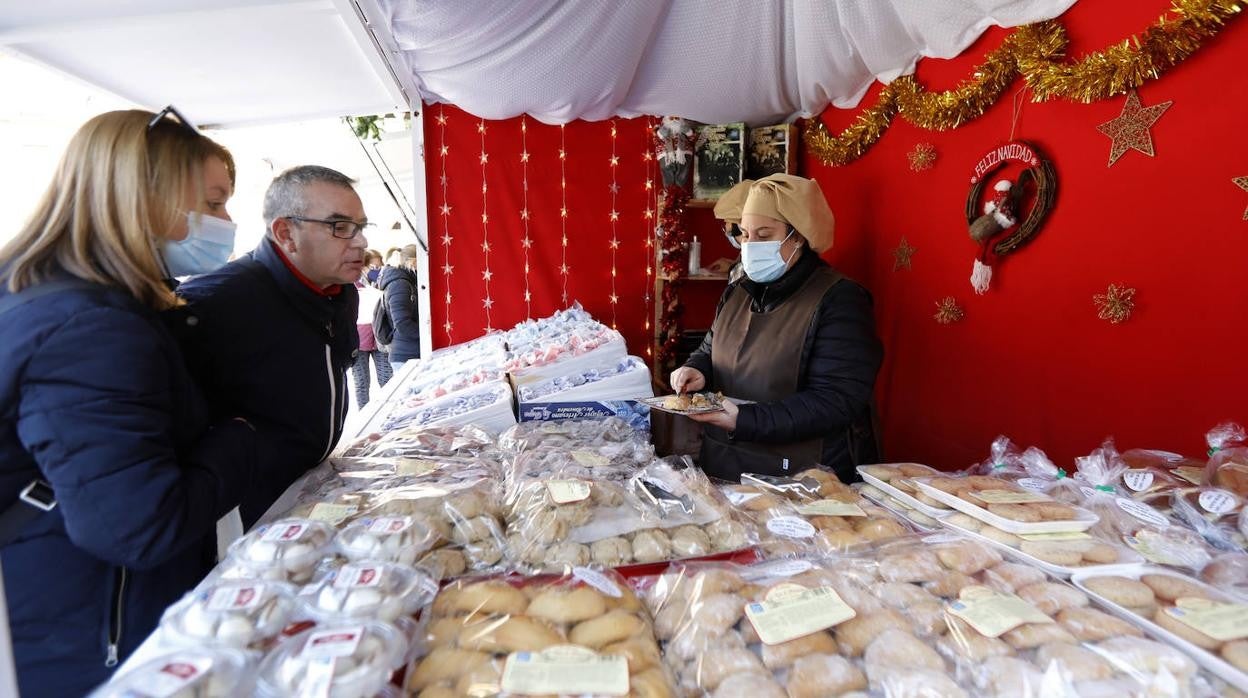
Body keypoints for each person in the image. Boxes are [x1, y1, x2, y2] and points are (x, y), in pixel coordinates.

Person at [0, 108, 256, 696]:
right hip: (91, 636)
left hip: (67, 614)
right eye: (213, 203)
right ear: (143, 198)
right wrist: (237, 439)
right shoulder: (87, 329)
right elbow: (138, 527)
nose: (225, 222)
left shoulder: (48, 294)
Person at [173, 165, 365, 526]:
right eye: (340, 227)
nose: (360, 242)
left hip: (311, 493)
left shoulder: (339, 293)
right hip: (247, 520)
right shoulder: (214, 302)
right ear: (286, 234)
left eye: (360, 226)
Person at [670, 174, 882, 483]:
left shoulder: (839, 300)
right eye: (744, 234)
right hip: (726, 461)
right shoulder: (738, 290)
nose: (750, 246)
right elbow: (711, 347)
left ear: (798, 237)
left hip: (800, 475)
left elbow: (835, 400)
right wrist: (697, 369)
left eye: (764, 234)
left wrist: (744, 419)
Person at [353, 265, 393, 409]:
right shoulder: (349, 286)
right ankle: (363, 414)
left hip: (380, 338)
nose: (374, 268)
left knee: (386, 380)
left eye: (377, 265)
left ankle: (388, 410)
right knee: (361, 383)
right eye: (371, 265)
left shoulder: (380, 283)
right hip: (357, 342)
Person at [379, 243, 422, 371]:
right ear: (413, 262)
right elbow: (403, 324)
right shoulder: (400, 284)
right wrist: (427, 333)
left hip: (408, 352)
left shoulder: (406, 281)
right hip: (406, 355)